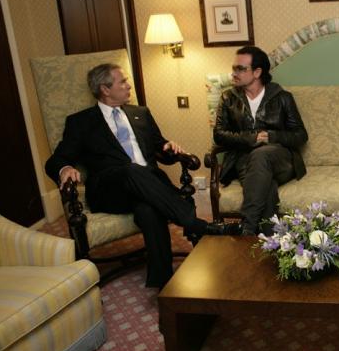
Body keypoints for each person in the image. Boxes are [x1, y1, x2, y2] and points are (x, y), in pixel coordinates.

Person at [45, 63, 236, 289]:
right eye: (122, 82)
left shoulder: (140, 113)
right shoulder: (81, 122)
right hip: (110, 191)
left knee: (149, 209)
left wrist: (168, 146)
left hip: (148, 187)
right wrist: (64, 168)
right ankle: (194, 223)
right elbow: (55, 160)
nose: (128, 86)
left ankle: (162, 282)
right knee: (131, 168)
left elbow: (158, 144)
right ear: (105, 89)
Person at [213, 46, 308, 235]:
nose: (234, 74)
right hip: (244, 160)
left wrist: (271, 136)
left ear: (257, 72)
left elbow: (300, 135)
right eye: (234, 68)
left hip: (280, 158)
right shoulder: (228, 98)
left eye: (240, 69)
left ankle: (247, 228)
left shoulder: (282, 97)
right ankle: (271, 241)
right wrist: (252, 138)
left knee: (262, 154)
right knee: (267, 186)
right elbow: (219, 134)